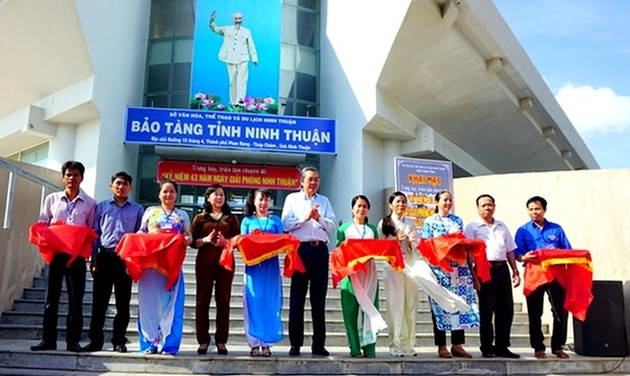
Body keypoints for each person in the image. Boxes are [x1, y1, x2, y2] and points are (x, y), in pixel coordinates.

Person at [31, 160, 96, 352]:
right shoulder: (52, 199)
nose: (71, 178)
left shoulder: (90, 203)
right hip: (56, 255)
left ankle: (72, 341)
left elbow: (91, 231)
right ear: (63, 177)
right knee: (51, 298)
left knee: (76, 299)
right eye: (68, 175)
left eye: (75, 175)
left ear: (82, 178)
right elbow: (42, 222)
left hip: (76, 257)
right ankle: (48, 340)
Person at [82, 172, 144, 353]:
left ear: (130, 187)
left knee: (123, 304)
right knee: (99, 303)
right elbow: (95, 234)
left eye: (125, 184)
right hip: (104, 257)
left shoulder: (138, 210)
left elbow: (140, 236)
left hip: (125, 259)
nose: (121, 187)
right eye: (118, 183)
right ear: (111, 186)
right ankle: (95, 341)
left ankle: (119, 340)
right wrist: (93, 259)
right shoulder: (101, 207)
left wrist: (135, 262)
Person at [281, 166, 336, 357]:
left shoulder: (324, 201)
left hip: (320, 250)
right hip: (300, 250)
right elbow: (285, 223)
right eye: (310, 179)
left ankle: (318, 344)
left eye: (317, 179)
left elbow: (331, 225)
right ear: (302, 181)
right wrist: (304, 219)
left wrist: (318, 217)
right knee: (297, 298)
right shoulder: (292, 199)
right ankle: (295, 343)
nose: (314, 183)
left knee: (318, 299)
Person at [421, 190, 479, 359]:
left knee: (459, 304)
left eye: (450, 200)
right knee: (439, 305)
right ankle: (441, 345)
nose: (447, 203)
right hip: (439, 270)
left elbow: (462, 243)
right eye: (445, 200)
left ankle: (457, 344)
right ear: (437, 202)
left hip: (459, 269)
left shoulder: (457, 220)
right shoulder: (429, 222)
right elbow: (426, 245)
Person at [137, 179, 192, 355]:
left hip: (172, 266)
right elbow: (142, 232)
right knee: (149, 304)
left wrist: (187, 240)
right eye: (165, 191)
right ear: (159, 194)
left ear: (176, 195)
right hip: (151, 266)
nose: (168, 195)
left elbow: (188, 235)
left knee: (172, 304)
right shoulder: (150, 212)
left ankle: (169, 345)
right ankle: (149, 344)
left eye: (172, 192)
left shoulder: (182, 215)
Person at [514, 195, 572, 360]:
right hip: (534, 275)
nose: (534, 212)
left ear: (544, 209)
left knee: (559, 311)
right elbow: (517, 253)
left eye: (537, 209)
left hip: (556, 275)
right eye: (531, 209)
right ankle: (538, 347)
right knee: (535, 312)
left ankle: (558, 346)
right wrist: (522, 258)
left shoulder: (556, 229)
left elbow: (567, 250)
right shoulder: (523, 230)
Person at [464, 194, 520, 359]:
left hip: (502, 269)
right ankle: (487, 346)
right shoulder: (473, 227)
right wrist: (473, 275)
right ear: (478, 208)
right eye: (483, 205)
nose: (487, 208)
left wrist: (515, 270)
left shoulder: (502, 226)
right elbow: (468, 253)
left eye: (490, 205)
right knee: (486, 310)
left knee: (506, 310)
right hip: (483, 269)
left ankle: (502, 346)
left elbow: (510, 249)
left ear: (494, 206)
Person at [191, 183, 240, 355]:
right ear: (208, 197)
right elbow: (192, 242)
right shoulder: (200, 218)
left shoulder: (231, 218)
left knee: (223, 301)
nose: (219, 197)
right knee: (202, 301)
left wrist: (226, 242)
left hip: (225, 264)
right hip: (204, 264)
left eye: (222, 195)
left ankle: (221, 340)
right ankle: (203, 340)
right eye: (216, 194)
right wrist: (205, 240)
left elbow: (238, 242)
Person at [240, 188, 283, 357]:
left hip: (271, 267)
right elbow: (243, 242)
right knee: (253, 303)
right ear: (254, 201)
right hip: (253, 268)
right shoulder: (247, 221)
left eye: (267, 199)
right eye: (261, 199)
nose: (264, 203)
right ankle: (254, 343)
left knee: (270, 303)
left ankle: (267, 343)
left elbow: (281, 241)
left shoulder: (276, 221)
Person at [336, 195, 380, 358]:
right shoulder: (344, 229)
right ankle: (354, 348)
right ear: (352, 209)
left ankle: (369, 348)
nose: (361, 209)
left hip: (368, 274)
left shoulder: (372, 229)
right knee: (350, 312)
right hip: (350, 275)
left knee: (369, 310)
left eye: (364, 206)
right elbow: (337, 251)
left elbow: (376, 250)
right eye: (358, 206)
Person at [377, 191, 420, 357]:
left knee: (410, 304)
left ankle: (408, 344)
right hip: (392, 266)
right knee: (395, 305)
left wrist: (409, 242)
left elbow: (416, 244)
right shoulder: (385, 223)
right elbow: (380, 247)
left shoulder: (410, 222)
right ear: (390, 205)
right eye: (397, 202)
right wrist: (395, 241)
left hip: (409, 265)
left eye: (403, 202)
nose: (401, 205)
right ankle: (395, 345)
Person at [209, 11, 258, 105]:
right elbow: (215, 29)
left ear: (242, 19)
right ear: (233, 19)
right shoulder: (226, 29)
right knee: (232, 81)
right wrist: (212, 20)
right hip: (230, 58)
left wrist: (254, 58)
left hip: (243, 58)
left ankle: (241, 102)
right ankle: (233, 102)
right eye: (236, 18)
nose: (238, 20)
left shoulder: (247, 31)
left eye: (240, 18)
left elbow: (251, 45)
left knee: (242, 81)